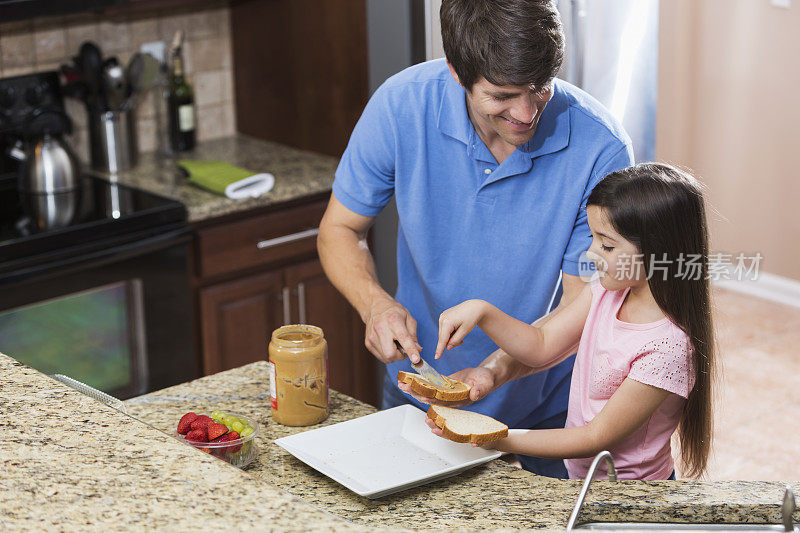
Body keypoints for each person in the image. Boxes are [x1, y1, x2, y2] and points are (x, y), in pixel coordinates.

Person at [317, 0, 633, 478]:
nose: (526, 113)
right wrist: (375, 306)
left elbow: (578, 309)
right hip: (417, 404)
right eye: (503, 95)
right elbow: (339, 229)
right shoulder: (401, 105)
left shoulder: (601, 147)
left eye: (539, 89)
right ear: (456, 73)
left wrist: (495, 371)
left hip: (545, 415)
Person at [429, 163, 715, 479]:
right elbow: (540, 346)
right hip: (583, 478)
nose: (592, 253)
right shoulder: (606, 292)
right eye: (593, 238)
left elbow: (594, 437)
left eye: (606, 244)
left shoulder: (668, 348)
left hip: (631, 497)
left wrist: (492, 436)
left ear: (660, 252)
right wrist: (483, 311)